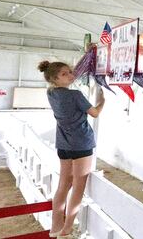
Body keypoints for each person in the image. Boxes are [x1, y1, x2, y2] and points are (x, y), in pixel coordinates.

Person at [39, 60, 105, 238]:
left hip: (63, 144)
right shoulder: (75, 95)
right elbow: (95, 113)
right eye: (64, 74)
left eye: (69, 72)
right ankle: (67, 228)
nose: (70, 75)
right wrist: (102, 101)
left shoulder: (51, 93)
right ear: (54, 79)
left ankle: (55, 226)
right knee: (78, 187)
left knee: (63, 185)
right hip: (81, 144)